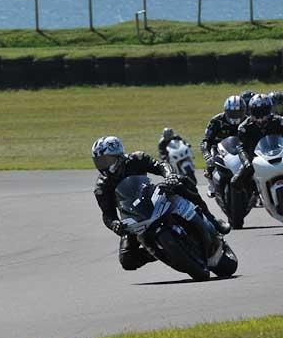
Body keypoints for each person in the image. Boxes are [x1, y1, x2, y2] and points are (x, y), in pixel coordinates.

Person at [92, 136, 230, 271]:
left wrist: (169, 176)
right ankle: (159, 252)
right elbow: (107, 214)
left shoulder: (136, 158)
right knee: (127, 260)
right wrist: (114, 224)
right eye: (99, 162)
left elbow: (161, 165)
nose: (103, 165)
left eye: (106, 160)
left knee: (182, 182)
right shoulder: (101, 186)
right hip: (133, 217)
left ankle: (213, 221)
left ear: (118, 156)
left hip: (151, 197)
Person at [201, 95, 246, 197]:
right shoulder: (216, 121)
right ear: (226, 111)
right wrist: (207, 155)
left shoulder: (248, 121)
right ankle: (212, 184)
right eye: (232, 113)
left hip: (242, 149)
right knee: (211, 162)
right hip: (219, 149)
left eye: (238, 112)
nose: (235, 116)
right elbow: (206, 141)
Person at [234, 94, 283, 185]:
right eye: (256, 112)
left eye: (263, 111)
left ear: (269, 110)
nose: (260, 116)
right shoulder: (244, 127)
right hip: (255, 160)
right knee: (235, 182)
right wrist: (246, 162)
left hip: (279, 156)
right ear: (251, 111)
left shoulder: (279, 122)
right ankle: (250, 198)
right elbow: (241, 147)